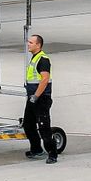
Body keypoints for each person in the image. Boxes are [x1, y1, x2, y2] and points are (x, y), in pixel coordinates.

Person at [22, 33, 58, 164]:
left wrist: (36, 96)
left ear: (38, 45)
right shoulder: (35, 58)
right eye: (28, 42)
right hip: (32, 98)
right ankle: (37, 150)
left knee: (44, 128)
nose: (28, 44)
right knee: (28, 125)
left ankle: (52, 154)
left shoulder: (43, 60)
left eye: (31, 42)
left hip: (41, 99)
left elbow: (45, 79)